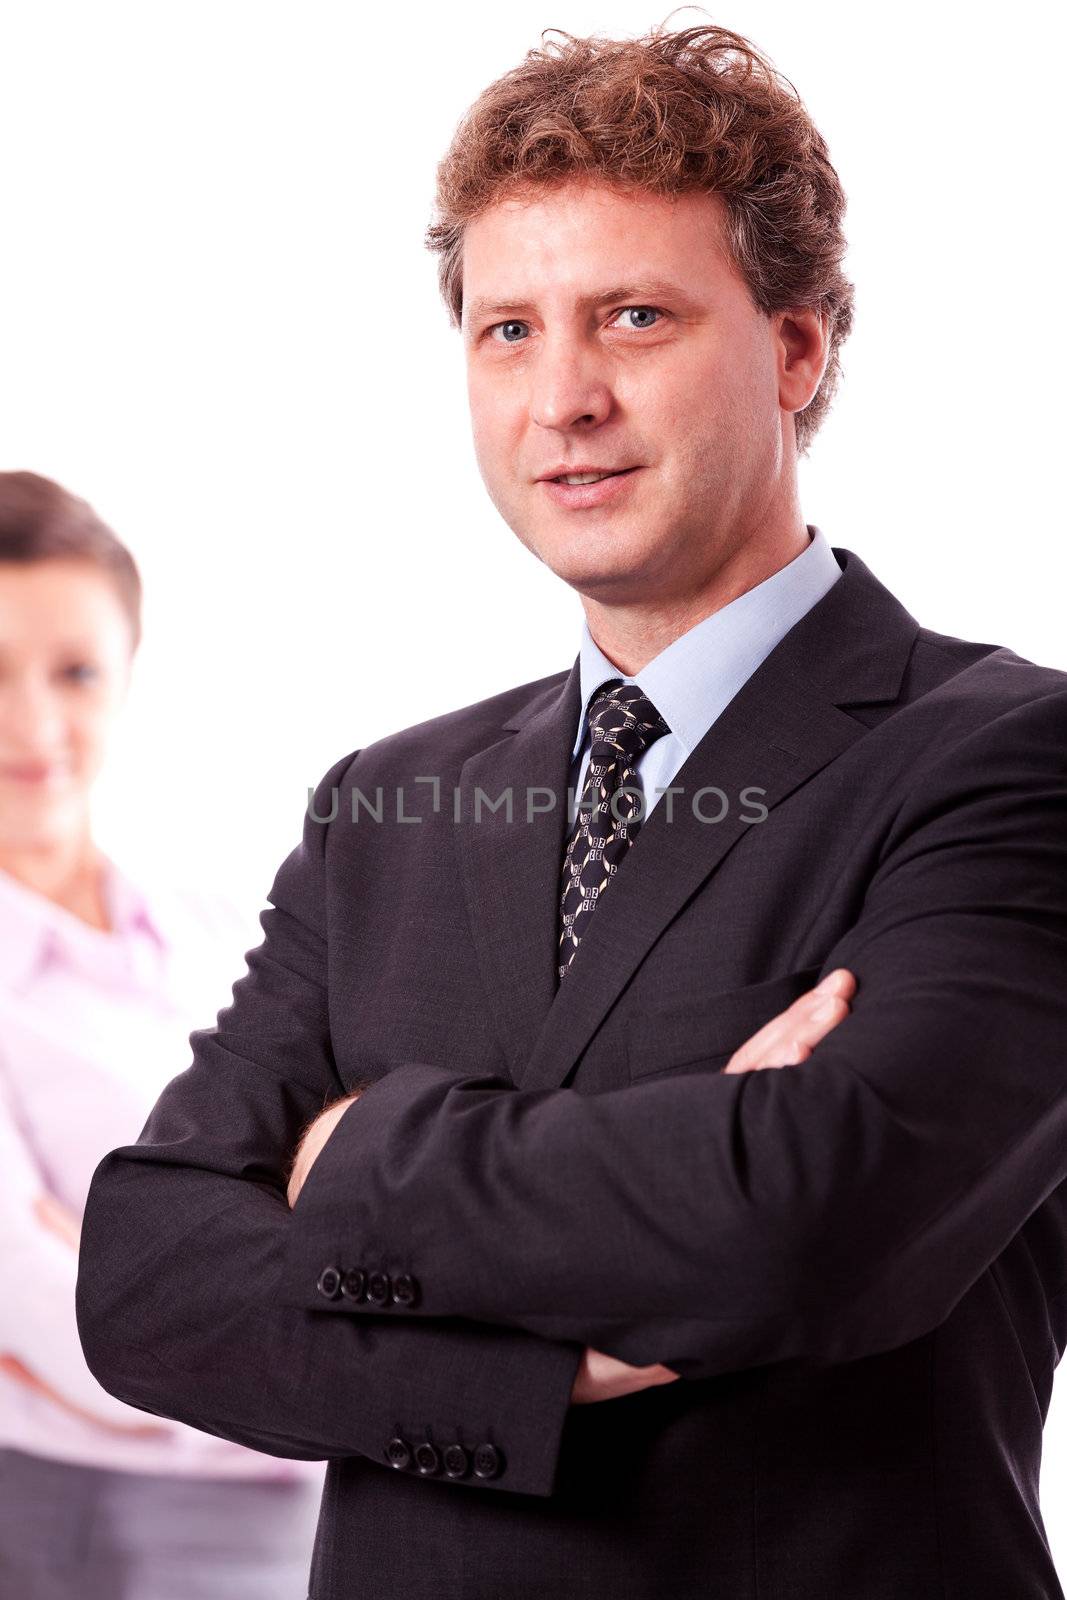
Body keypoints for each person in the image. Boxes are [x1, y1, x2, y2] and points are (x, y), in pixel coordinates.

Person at [76, 22, 1067, 1600]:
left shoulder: (1004, 758)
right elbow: (143, 1279)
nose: (564, 399)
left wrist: (349, 1154)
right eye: (506, 332)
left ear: (796, 347)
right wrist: (538, 1372)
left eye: (632, 317)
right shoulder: (386, 805)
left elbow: (812, 1220)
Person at [0, 469, 325, 1598]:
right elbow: (51, 1322)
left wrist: (132, 1273)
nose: (35, 724)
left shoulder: (225, 928)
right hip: (96, 1531)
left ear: (129, 676)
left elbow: (382, 1204)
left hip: (316, 1517)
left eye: (76, 671)